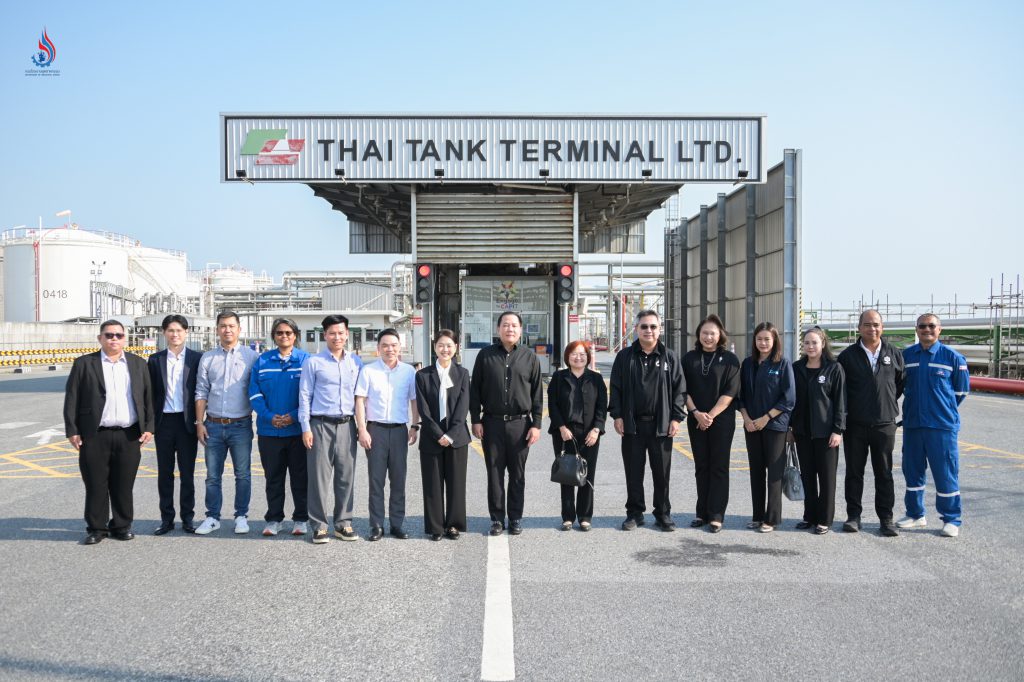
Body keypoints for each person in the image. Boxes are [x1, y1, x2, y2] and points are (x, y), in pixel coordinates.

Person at [63, 320, 154, 545]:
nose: (114, 339)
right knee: (96, 484)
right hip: (94, 434)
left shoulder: (138, 363)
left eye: (118, 335)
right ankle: (97, 528)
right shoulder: (84, 363)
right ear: (100, 338)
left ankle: (122, 526)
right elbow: (72, 398)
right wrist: (72, 430)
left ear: (125, 338)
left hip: (128, 434)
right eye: (109, 335)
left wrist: (149, 427)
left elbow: (148, 398)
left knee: (123, 484)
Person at [609, 309, 686, 532]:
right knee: (634, 472)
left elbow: (679, 389)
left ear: (660, 329)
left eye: (653, 326)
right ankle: (635, 513)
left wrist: (676, 418)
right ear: (636, 329)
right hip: (632, 425)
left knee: (661, 473)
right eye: (644, 326)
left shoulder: (669, 357)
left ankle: (663, 513)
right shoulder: (625, 357)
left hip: (661, 425)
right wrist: (617, 415)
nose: (648, 330)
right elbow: (616, 388)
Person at [469, 311, 543, 537]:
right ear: (498, 329)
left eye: (514, 325)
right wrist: (475, 420)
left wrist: (536, 425)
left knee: (517, 474)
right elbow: (475, 391)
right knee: (494, 473)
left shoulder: (530, 357)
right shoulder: (485, 355)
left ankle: (516, 517)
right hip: (491, 423)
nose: (510, 329)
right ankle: (497, 519)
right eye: (505, 325)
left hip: (520, 425)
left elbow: (537, 394)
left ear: (520, 330)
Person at [897, 313, 970, 538]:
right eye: (922, 326)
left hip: (942, 427)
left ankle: (951, 519)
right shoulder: (906, 356)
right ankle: (915, 514)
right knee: (912, 471)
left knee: (945, 473)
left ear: (940, 330)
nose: (926, 329)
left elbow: (961, 392)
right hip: (913, 425)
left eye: (931, 326)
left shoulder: (953, 357)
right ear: (916, 329)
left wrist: (941, 409)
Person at [837, 309, 904, 536]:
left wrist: (884, 403)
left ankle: (886, 518)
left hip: (885, 424)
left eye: (876, 324)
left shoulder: (894, 353)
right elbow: (841, 390)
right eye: (867, 324)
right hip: (855, 425)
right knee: (854, 473)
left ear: (882, 327)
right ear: (859, 328)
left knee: (884, 473)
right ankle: (853, 516)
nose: (872, 328)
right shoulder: (847, 356)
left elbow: (899, 384)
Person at [298, 314, 363, 545]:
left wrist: (362, 426)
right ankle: (319, 526)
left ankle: (343, 523)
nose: (337, 337)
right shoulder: (313, 362)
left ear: (347, 334)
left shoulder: (355, 362)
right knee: (319, 478)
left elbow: (360, 397)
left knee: (346, 477)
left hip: (347, 424)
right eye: (332, 333)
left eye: (341, 332)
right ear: (324, 335)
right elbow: (304, 396)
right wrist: (306, 427)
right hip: (320, 425)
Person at [194, 311, 258, 535]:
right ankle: (212, 517)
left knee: (243, 474)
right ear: (217, 329)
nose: (227, 330)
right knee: (212, 476)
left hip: (240, 425)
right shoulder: (208, 358)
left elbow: (257, 390)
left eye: (231, 326)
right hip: (212, 424)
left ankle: (241, 516)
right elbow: (201, 391)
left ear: (239, 329)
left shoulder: (252, 357)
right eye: (223, 326)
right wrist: (199, 422)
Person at [355, 329, 419, 541]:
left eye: (393, 345)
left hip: (399, 430)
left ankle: (397, 524)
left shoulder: (408, 372)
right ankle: (376, 525)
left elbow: (414, 400)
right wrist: (362, 429)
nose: (389, 349)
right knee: (376, 480)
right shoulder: (368, 371)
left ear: (400, 347)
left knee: (398, 479)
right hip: (375, 430)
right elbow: (360, 400)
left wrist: (414, 425)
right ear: (378, 348)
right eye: (385, 345)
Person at [249, 318, 310, 537]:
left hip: (297, 431)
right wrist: (268, 416)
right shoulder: (262, 361)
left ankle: (301, 519)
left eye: (288, 333)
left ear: (295, 335)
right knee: (273, 478)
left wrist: (293, 417)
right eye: (279, 333)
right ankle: (274, 519)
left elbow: (310, 394)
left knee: (300, 478)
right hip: (269, 431)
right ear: (274, 336)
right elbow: (254, 393)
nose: (284, 336)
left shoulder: (306, 361)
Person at [681, 314, 740, 533]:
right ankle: (701, 513)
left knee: (719, 466)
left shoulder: (730, 360)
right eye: (704, 333)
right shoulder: (689, 359)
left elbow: (730, 392)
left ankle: (716, 515)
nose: (708, 337)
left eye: (712, 333)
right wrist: (696, 413)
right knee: (701, 465)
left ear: (720, 335)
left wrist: (710, 415)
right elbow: (682, 389)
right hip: (696, 419)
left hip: (722, 420)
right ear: (699, 334)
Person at [737, 322, 795, 533]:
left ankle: (771, 519)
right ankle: (757, 516)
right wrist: (746, 418)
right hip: (751, 425)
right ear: (754, 341)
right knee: (756, 472)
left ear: (774, 341)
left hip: (775, 426)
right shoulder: (748, 364)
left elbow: (789, 398)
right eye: (759, 339)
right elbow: (740, 396)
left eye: (767, 339)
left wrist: (766, 418)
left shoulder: (782, 364)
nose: (763, 343)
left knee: (774, 474)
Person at [147, 314, 201, 535]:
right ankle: (166, 519)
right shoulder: (155, 360)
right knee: (165, 474)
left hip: (187, 423)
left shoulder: (197, 359)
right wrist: (149, 425)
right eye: (170, 330)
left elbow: (201, 391)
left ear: (186, 332)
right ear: (164, 333)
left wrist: (201, 421)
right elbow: (150, 394)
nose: (175, 334)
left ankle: (188, 518)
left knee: (187, 474)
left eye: (179, 330)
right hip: (164, 423)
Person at [789, 328, 846, 535]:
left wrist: (837, 430)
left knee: (827, 478)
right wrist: (790, 428)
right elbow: (791, 401)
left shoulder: (833, 368)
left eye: (814, 342)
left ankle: (824, 519)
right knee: (807, 477)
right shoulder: (796, 368)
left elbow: (840, 402)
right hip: (802, 432)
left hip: (826, 434)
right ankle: (809, 516)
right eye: (807, 343)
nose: (810, 346)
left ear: (823, 344)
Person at [416, 330, 471, 541]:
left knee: (456, 484)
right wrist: (438, 434)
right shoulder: (423, 375)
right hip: (431, 438)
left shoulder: (462, 373)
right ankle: (435, 527)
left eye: (449, 345)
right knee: (432, 484)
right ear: (434, 347)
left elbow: (462, 408)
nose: (445, 349)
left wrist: (450, 435)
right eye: (440, 345)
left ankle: (454, 525)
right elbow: (423, 409)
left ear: (456, 347)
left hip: (457, 438)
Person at [547, 340, 607, 532]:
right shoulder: (558, 378)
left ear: (588, 357)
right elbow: (553, 405)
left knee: (587, 474)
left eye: (582, 354)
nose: (578, 357)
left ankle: (585, 516)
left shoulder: (596, 379)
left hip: (589, 433)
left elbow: (602, 406)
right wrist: (561, 427)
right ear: (567, 357)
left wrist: (596, 429)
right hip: (564, 433)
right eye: (574, 354)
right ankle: (567, 517)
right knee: (566, 473)